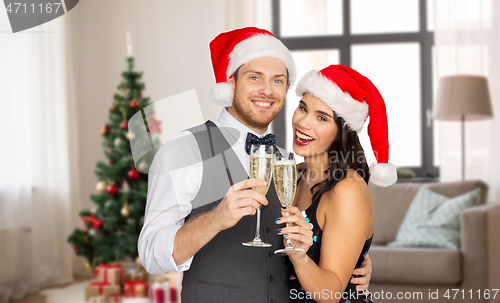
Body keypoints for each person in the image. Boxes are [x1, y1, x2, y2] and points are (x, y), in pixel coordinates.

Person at [138, 28, 372, 303]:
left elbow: (332, 231)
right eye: (254, 77)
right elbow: (151, 255)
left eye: (277, 80)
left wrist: (357, 260)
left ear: (286, 90)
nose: (266, 90)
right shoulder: (183, 150)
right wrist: (216, 219)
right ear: (231, 81)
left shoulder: (288, 163)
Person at [279, 65, 398, 303]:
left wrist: (300, 257)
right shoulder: (293, 174)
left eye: (322, 117)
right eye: (303, 108)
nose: (303, 123)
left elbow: (331, 293)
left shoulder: (347, 189)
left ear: (341, 131)